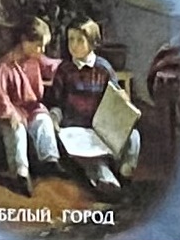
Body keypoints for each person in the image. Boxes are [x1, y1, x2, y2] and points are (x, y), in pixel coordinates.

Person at [49, 21, 136, 193]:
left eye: (80, 40)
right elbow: (56, 102)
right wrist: (54, 118)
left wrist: (123, 100)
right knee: (92, 159)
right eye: (70, 39)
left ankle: (124, 171)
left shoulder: (104, 68)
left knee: (133, 137)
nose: (74, 45)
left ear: (93, 43)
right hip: (76, 129)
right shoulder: (64, 70)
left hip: (102, 127)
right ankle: (106, 180)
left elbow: (115, 95)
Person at [0, 18, 60, 195]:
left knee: (43, 120)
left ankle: (49, 160)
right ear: (25, 41)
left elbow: (53, 65)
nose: (42, 50)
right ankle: (20, 174)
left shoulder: (35, 58)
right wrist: (11, 114)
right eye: (39, 46)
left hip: (30, 108)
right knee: (17, 131)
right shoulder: (5, 66)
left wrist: (68, 66)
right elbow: (0, 95)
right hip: (9, 111)